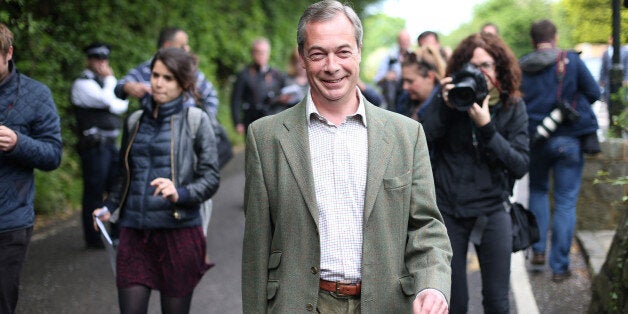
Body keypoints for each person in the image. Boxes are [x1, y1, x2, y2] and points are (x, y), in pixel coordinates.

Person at [241, 1, 452, 313]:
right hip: (297, 304)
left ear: (359, 51)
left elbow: (426, 227)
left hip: (387, 303)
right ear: (302, 58)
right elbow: (257, 247)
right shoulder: (266, 137)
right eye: (318, 54)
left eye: (342, 51)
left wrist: (433, 284)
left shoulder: (407, 135)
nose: (331, 66)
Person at [93, 47, 220, 313]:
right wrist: (110, 208)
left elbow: (210, 178)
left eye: (168, 78)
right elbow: (123, 174)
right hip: (134, 234)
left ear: (184, 83)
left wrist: (180, 193)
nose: (158, 83)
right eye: (154, 75)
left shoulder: (196, 120)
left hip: (179, 233)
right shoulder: (135, 121)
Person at [420, 32, 529, 313]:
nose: (479, 73)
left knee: (496, 301)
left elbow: (519, 164)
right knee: (453, 303)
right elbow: (421, 141)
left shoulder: (511, 105)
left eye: (486, 65)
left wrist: (487, 128)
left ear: (499, 69)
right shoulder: (450, 100)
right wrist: (443, 104)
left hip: (492, 209)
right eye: (471, 66)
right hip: (450, 211)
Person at [519, 19, 600, 281]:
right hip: (568, 140)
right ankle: (560, 267)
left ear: (533, 41)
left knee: (538, 192)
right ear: (554, 38)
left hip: (536, 140)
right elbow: (595, 92)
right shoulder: (571, 61)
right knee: (565, 201)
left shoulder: (522, 66)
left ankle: (538, 249)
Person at [0, 23, 62, 314]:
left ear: (9, 52)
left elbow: (52, 155)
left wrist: (18, 143)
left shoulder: (36, 95)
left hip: (10, 220)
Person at [70, 42, 129, 249]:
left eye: (104, 59)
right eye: (97, 59)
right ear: (89, 60)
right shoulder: (82, 84)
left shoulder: (103, 83)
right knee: (94, 192)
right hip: (94, 147)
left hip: (111, 145)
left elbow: (123, 104)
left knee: (117, 189)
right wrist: (111, 79)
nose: (102, 63)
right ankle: (93, 238)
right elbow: (110, 102)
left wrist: (112, 90)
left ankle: (116, 232)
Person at [114, 26, 219, 117]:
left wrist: (204, 123)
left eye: (168, 78)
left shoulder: (190, 73)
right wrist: (127, 87)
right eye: (155, 75)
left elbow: (211, 96)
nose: (187, 49)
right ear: (168, 46)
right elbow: (119, 87)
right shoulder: (144, 70)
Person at [231, 37, 293, 135]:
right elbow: (235, 99)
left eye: (264, 52)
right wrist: (237, 122)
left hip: (273, 119)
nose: (261, 55)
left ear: (268, 53)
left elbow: (287, 92)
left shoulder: (276, 74)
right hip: (251, 120)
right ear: (252, 53)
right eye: (258, 52)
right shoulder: (244, 75)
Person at [397, 46, 446, 120]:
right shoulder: (404, 101)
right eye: (403, 81)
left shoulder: (445, 107)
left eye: (410, 81)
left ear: (430, 77)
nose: (405, 87)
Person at [373, 29, 412, 109]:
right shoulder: (389, 56)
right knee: (390, 83)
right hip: (393, 91)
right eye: (402, 40)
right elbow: (377, 79)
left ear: (410, 41)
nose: (404, 43)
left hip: (409, 89)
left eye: (406, 40)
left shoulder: (414, 57)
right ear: (398, 41)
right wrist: (386, 76)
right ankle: (391, 112)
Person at [599, 36, 628, 104]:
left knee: (621, 100)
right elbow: (603, 68)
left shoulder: (625, 51)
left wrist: (626, 79)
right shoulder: (606, 52)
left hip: (620, 80)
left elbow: (627, 67)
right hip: (608, 82)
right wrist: (601, 80)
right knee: (609, 100)